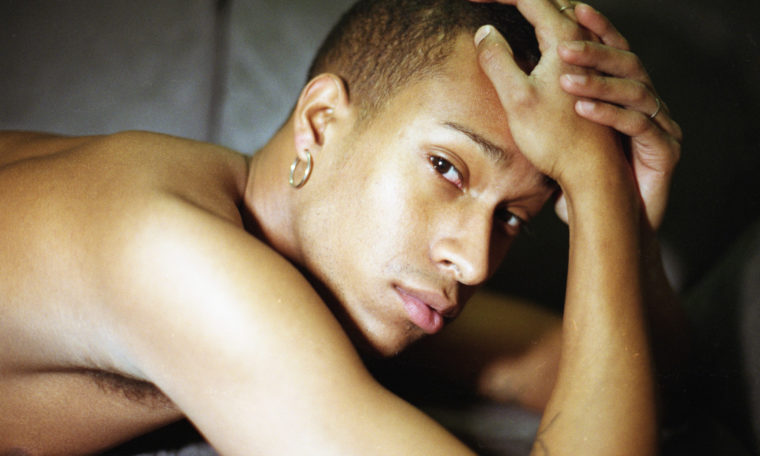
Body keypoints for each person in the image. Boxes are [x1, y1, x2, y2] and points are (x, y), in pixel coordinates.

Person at [0, 0, 684, 454]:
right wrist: (594, 186)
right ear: (321, 121)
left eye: (511, 217)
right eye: (448, 168)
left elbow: (653, 382)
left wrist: (620, 219)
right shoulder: (175, 255)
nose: (474, 261)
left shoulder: (338, 272)